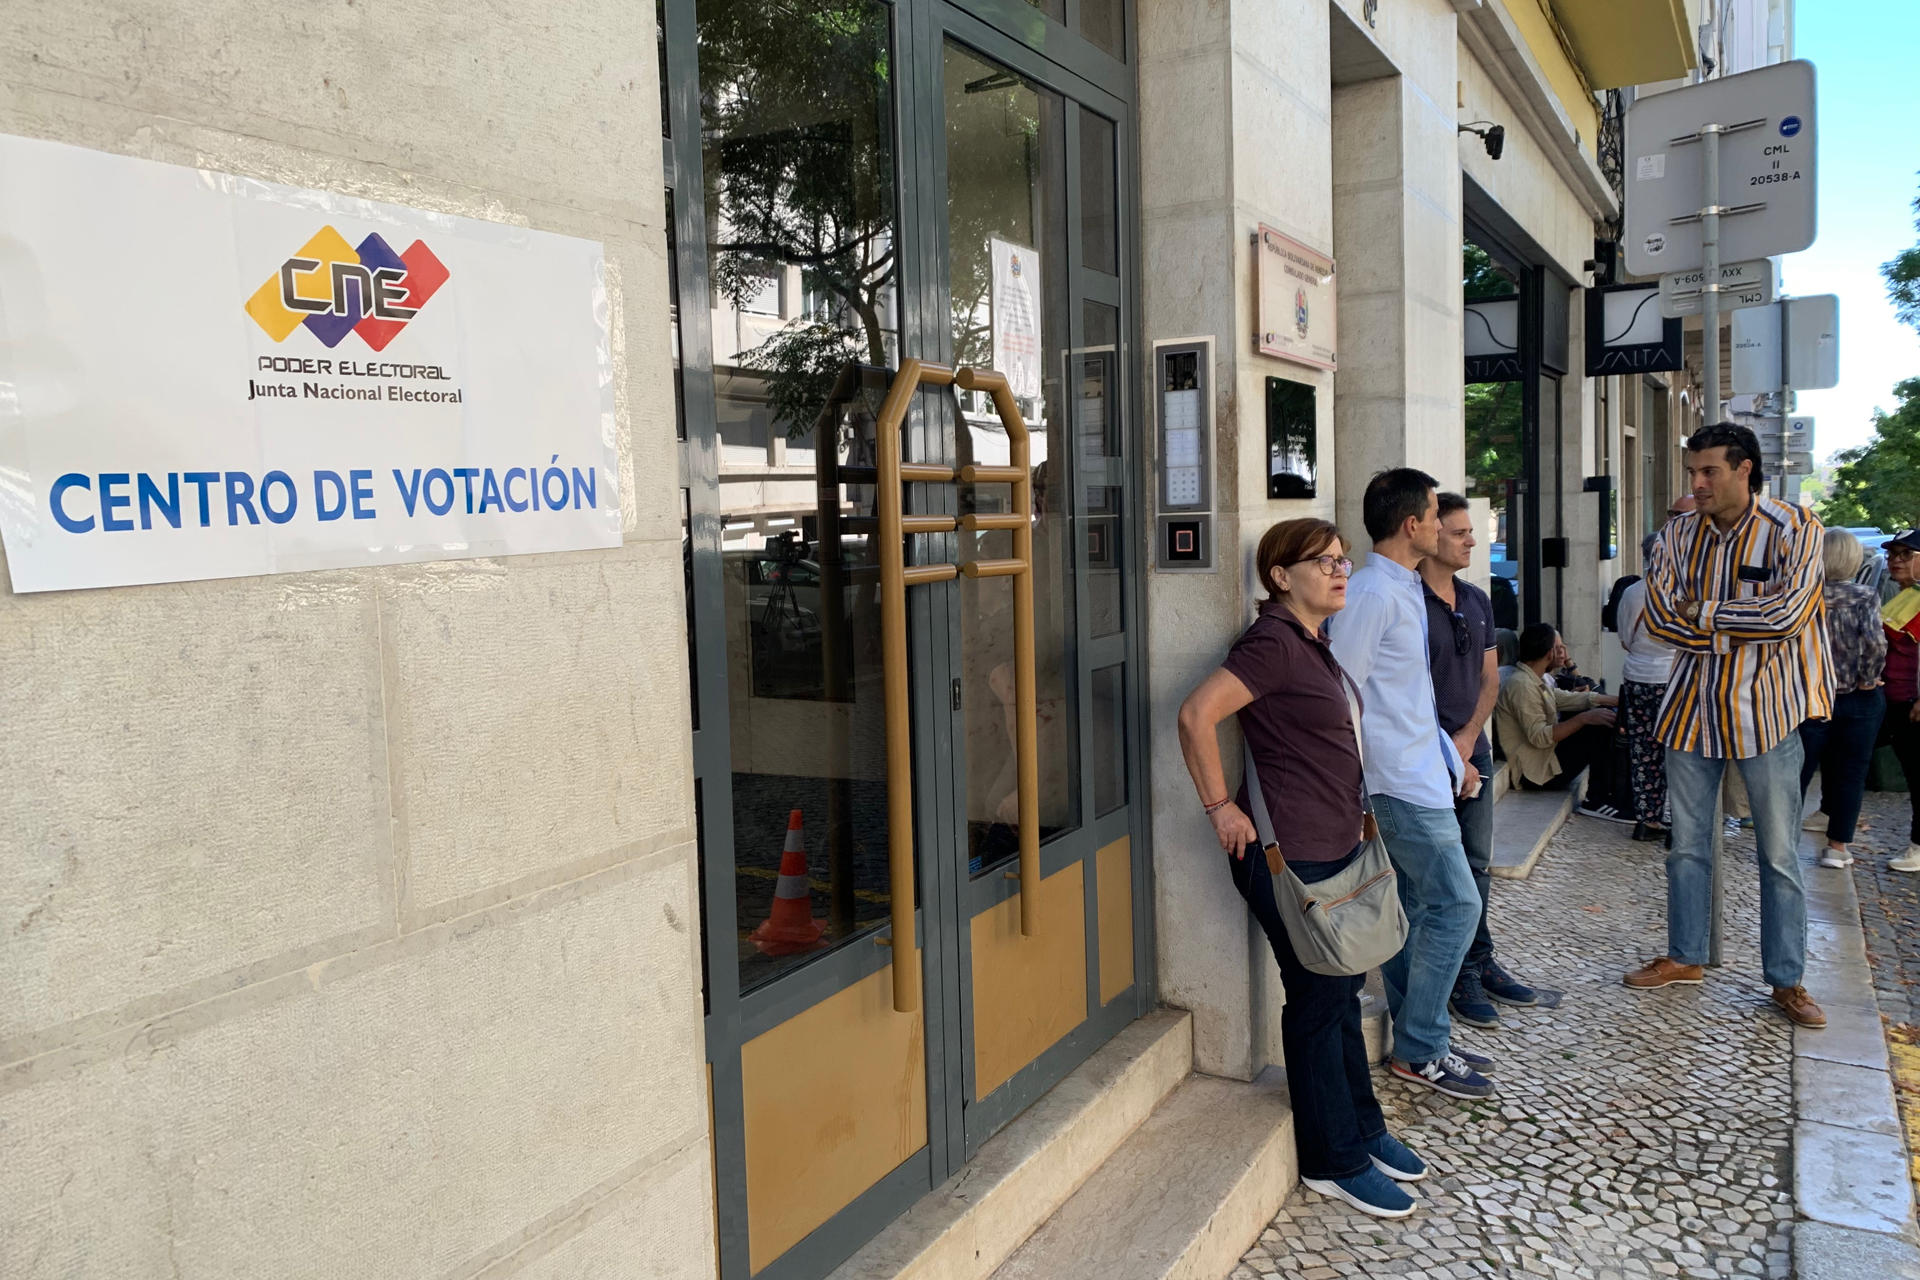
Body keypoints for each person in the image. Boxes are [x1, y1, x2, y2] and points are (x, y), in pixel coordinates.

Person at [1177, 518, 1428, 1219]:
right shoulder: (1271, 645)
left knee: (1340, 995)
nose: (1341, 571)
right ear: (1281, 576)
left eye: (1344, 560)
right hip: (1290, 858)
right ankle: (1332, 1159)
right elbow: (1196, 714)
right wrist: (1220, 807)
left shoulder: (1311, 644)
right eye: (1324, 562)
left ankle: (1366, 1130)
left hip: (1331, 846)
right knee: (1319, 1004)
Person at [1625, 423, 1832, 1030]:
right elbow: (1661, 619)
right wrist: (1739, 621)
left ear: (1746, 469)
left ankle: (1787, 981)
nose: (1697, 483)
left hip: (1766, 715)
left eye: (1710, 471)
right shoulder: (1676, 534)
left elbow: (1790, 615)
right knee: (1684, 847)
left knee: (1778, 856)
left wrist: (1706, 612)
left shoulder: (1794, 529)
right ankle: (1686, 956)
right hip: (1689, 709)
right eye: (1693, 472)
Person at [1327, 469, 1494, 1100]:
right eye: (1434, 511)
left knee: (1417, 912)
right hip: (1395, 783)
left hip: (1422, 773)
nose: (1442, 520)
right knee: (1457, 904)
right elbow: (1341, 693)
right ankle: (1423, 1043)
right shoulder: (1370, 592)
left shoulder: (1397, 589)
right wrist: (1359, 787)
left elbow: (1407, 695)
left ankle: (1421, 1036)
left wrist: (1454, 761)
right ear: (1412, 525)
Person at [1419, 493, 1538, 1030]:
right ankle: (1450, 975)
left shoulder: (1476, 599)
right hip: (1422, 758)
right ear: (1428, 534)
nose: (1472, 540)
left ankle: (1477, 961)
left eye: (1472, 531)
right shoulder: (1407, 603)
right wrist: (1448, 750)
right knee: (1434, 875)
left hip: (1474, 749)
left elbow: (1490, 679)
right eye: (1461, 532)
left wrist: (1468, 740)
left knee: (1476, 864)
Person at [1797, 530, 1887, 869]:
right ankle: (1837, 846)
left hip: (1811, 695)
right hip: (1857, 697)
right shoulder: (1865, 596)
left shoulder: (1806, 598)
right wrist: (1868, 677)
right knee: (1853, 770)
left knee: (1798, 770)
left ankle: (1783, 840)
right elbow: (1876, 643)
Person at [1615, 500, 1696, 844]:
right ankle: (1680, 823)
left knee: (1644, 751)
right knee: (1679, 754)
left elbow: (1624, 638)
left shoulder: (1633, 592)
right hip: (1676, 679)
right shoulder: (1687, 594)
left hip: (1639, 677)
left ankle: (1647, 819)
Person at [1494, 624, 1625, 820]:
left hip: (1543, 759)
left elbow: (1564, 698)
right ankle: (1595, 800)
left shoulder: (1532, 678)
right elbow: (1539, 737)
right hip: (1535, 774)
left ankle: (1613, 794)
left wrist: (1614, 700)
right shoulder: (1521, 685)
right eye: (1558, 648)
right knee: (1596, 727)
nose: (1562, 652)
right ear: (1549, 653)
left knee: (1600, 715)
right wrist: (1585, 718)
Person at [1880, 530, 1920, 873]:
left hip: (1912, 702)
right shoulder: (1907, 596)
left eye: (1905, 554)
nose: (1895, 560)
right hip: (1897, 699)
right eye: (1893, 554)